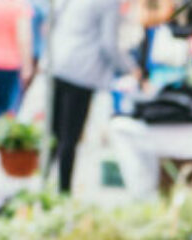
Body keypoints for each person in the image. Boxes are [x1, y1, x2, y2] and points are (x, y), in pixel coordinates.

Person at [49, 0, 139, 193]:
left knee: (56, 133)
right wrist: (131, 68)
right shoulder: (108, 3)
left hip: (59, 63)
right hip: (81, 71)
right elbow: (109, 44)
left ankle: (48, 183)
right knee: (69, 137)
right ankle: (62, 191)